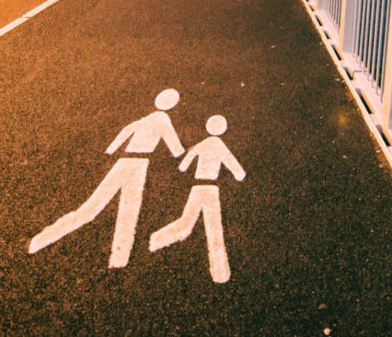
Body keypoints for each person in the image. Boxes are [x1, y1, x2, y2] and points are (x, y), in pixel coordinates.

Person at [29, 88, 184, 267]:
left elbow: (127, 130)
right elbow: (173, 144)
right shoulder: (162, 119)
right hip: (138, 164)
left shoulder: (146, 118)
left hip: (124, 161)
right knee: (128, 210)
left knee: (92, 207)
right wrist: (181, 153)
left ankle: (41, 240)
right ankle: (119, 258)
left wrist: (111, 149)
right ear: (172, 104)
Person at [149, 114, 245, 283]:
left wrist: (183, 167)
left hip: (198, 185)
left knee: (187, 220)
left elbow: (191, 154)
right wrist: (239, 174)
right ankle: (220, 270)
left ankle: (158, 239)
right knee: (212, 224)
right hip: (210, 187)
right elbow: (230, 160)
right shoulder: (218, 144)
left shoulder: (205, 143)